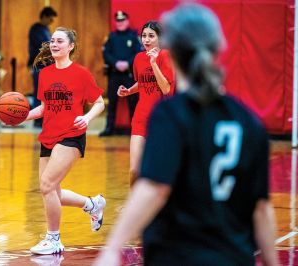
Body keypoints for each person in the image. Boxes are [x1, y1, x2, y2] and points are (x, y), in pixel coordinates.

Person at [94, 3, 278, 266]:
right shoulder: (250, 122)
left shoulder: (171, 114)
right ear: (217, 48)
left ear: (174, 50)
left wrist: (111, 249)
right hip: (232, 254)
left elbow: (154, 189)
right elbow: (261, 208)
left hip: (178, 252)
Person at [26, 27, 106, 255]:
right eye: (52, 41)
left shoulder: (81, 74)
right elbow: (43, 107)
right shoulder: (45, 74)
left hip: (72, 135)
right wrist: (24, 116)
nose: (54, 44)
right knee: (50, 191)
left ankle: (54, 239)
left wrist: (87, 117)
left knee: (47, 185)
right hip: (48, 136)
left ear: (71, 46)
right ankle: (92, 204)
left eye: (59, 41)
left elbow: (99, 102)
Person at [118, 21, 174, 186]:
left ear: (159, 38)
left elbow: (166, 89)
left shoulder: (165, 56)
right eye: (144, 36)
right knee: (134, 170)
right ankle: (135, 207)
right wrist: (128, 90)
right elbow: (142, 84)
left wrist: (154, 63)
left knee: (159, 170)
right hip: (140, 117)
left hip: (160, 120)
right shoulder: (138, 58)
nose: (147, 40)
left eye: (151, 36)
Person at [99, 11, 141, 137]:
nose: (120, 23)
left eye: (123, 20)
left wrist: (127, 63)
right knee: (112, 103)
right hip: (114, 75)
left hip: (129, 75)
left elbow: (138, 53)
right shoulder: (111, 37)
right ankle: (109, 128)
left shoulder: (134, 37)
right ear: (115, 22)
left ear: (127, 21)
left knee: (133, 103)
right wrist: (116, 63)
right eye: (118, 21)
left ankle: (135, 129)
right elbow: (106, 54)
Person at [27, 6, 58, 128]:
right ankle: (38, 119)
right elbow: (44, 46)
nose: (51, 22)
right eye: (50, 19)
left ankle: (45, 117)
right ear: (44, 17)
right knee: (39, 93)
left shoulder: (46, 29)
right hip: (39, 66)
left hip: (48, 66)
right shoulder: (36, 29)